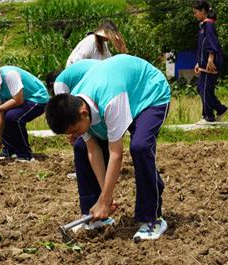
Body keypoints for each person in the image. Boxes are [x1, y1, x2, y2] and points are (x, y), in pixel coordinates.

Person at [45, 54, 171, 241]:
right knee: (81, 147)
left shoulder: (111, 101)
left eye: (74, 130)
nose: (74, 134)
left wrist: (105, 198)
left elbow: (116, 154)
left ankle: (153, 218)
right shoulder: (77, 101)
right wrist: (106, 197)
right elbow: (93, 150)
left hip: (149, 94)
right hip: (125, 94)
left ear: (83, 113)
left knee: (140, 147)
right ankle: (95, 216)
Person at [0, 61, 49, 162]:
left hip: (38, 99)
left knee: (13, 118)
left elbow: (18, 99)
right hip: (23, 101)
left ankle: (25, 155)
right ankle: (10, 151)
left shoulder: (9, 74)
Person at [192, 0, 228, 123]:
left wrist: (210, 59)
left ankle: (209, 116)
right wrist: (198, 62)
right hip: (203, 64)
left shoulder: (209, 25)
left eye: (196, 12)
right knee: (201, 89)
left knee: (205, 90)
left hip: (210, 64)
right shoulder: (203, 26)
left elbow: (212, 43)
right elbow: (202, 47)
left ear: (203, 11)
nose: (195, 15)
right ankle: (220, 109)